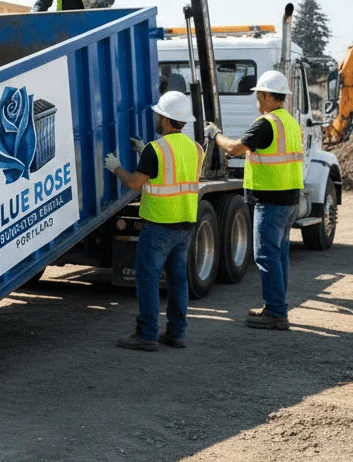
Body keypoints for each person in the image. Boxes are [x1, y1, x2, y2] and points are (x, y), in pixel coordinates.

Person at [103, 90, 203, 351]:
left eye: (159, 115)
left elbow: (136, 183)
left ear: (168, 121)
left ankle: (147, 334)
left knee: (147, 280)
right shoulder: (196, 148)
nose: (156, 118)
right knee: (177, 281)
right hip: (184, 224)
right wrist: (143, 153)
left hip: (158, 225)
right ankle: (176, 334)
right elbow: (172, 170)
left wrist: (115, 167)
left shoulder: (155, 149)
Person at [205, 70, 304, 331]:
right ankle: (276, 307)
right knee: (279, 256)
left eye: (259, 95)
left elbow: (234, 148)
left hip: (271, 202)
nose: (257, 101)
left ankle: (276, 312)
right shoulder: (290, 122)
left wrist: (215, 134)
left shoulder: (267, 123)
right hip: (290, 200)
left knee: (266, 256)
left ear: (270, 96)